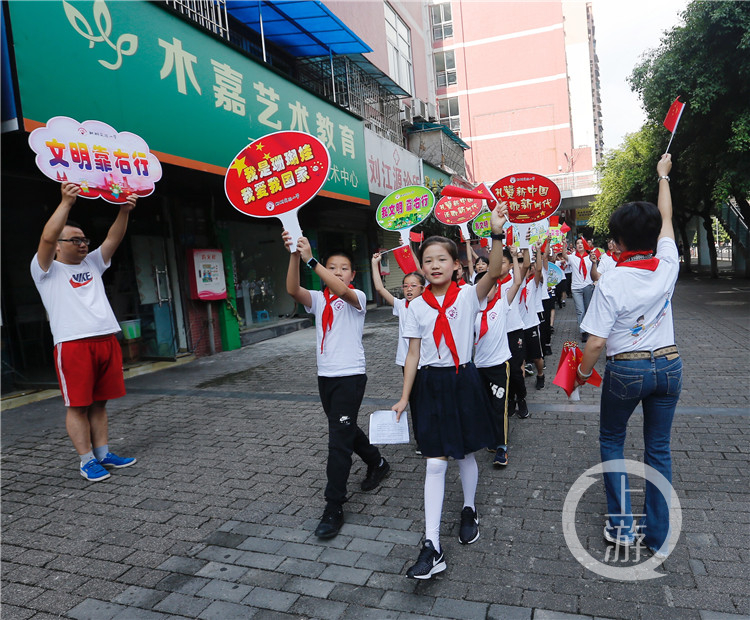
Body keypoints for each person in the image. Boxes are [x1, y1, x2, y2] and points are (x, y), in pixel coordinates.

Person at [391, 204, 508, 580]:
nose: (435, 265)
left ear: (456, 264)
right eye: (428, 260)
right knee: (435, 461)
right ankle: (431, 545)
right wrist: (405, 396)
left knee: (464, 455)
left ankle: (469, 509)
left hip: (464, 379)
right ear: (421, 267)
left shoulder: (468, 296)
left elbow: (492, 270)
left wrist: (495, 233)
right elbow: (412, 354)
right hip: (430, 385)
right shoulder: (414, 307)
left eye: (442, 259)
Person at [576, 153, 681, 557]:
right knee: (658, 448)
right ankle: (656, 534)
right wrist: (663, 177)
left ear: (617, 242)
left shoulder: (613, 281)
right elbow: (667, 219)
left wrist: (583, 373)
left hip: (628, 370)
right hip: (669, 366)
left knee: (612, 441)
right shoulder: (668, 262)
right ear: (654, 237)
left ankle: (621, 529)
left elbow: (596, 343)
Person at [30, 182, 138, 482]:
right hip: (73, 345)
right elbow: (47, 236)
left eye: (84, 240)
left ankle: (104, 454)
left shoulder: (92, 263)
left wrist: (124, 211)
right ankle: (86, 460)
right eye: (75, 240)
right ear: (59, 245)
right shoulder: (45, 269)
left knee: (100, 401)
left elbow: (113, 239)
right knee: (78, 405)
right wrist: (66, 202)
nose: (83, 244)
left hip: (106, 339)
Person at [285, 234, 389, 539]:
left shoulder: (355, 298)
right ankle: (377, 462)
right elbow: (292, 289)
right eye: (334, 267)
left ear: (352, 274)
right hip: (325, 377)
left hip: (351, 377)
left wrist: (312, 260)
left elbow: (341, 289)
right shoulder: (319, 300)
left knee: (337, 441)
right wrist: (294, 255)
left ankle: (333, 506)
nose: (338, 272)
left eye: (344, 268)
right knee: (343, 428)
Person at [371, 254, 425, 451]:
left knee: (430, 400)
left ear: (422, 288)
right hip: (408, 362)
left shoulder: (428, 306)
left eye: (413, 285)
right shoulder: (402, 306)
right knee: (415, 402)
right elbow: (379, 288)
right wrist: (374, 264)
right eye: (405, 286)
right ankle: (421, 439)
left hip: (428, 362)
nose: (408, 289)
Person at [473, 249, 522, 467]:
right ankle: (491, 439)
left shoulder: (502, 304)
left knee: (499, 406)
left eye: (492, 285)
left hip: (499, 365)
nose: (489, 289)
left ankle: (501, 447)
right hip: (478, 366)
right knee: (484, 405)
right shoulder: (470, 311)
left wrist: (513, 257)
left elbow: (518, 282)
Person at [501, 246, 530, 419]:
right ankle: (510, 400)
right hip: (497, 333)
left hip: (514, 330)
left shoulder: (514, 278)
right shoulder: (489, 282)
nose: (498, 266)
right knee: (504, 370)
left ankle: (521, 398)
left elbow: (526, 264)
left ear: (511, 265)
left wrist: (516, 254)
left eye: (503, 263)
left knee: (515, 370)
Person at [519, 241, 545, 390]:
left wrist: (538, 251)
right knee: (520, 358)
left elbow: (539, 269)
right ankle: (521, 388)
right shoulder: (515, 283)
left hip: (531, 324)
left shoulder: (532, 284)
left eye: (529, 266)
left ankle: (540, 375)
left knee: (536, 357)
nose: (527, 268)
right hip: (518, 327)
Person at [567, 237, 595, 342]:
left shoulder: (590, 257)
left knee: (588, 309)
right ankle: (583, 331)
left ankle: (589, 329)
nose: (579, 245)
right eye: (577, 243)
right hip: (576, 288)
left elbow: (594, 270)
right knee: (580, 310)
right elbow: (564, 256)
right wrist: (564, 244)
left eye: (581, 243)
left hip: (588, 286)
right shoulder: (572, 257)